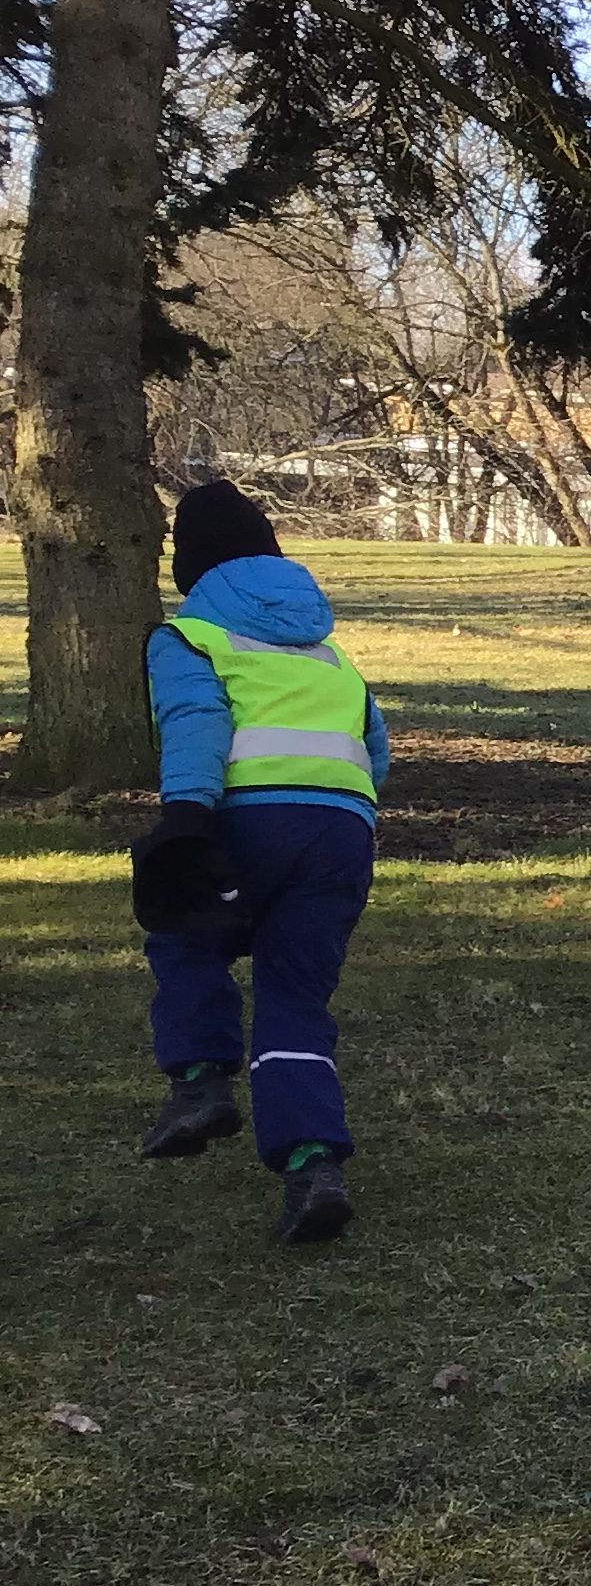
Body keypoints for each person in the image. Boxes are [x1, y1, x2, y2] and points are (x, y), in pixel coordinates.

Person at [131, 480, 393, 1245]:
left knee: (186, 932)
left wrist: (186, 816)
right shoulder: (329, 653)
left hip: (246, 817)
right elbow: (376, 752)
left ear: (189, 569)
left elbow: (195, 721)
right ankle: (312, 1164)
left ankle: (199, 1082)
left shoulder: (189, 638)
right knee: (295, 995)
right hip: (343, 831)